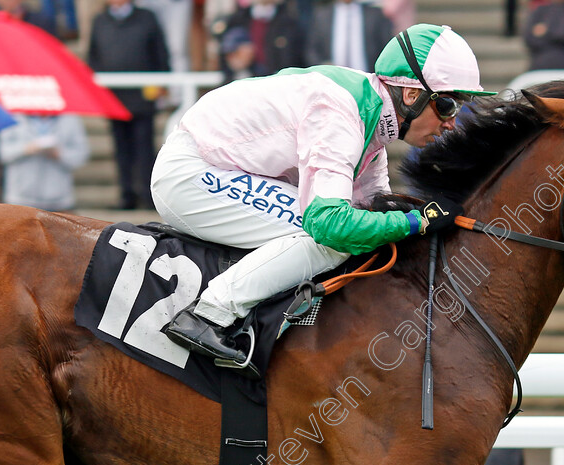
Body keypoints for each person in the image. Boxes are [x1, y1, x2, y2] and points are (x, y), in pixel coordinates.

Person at [151, 24, 494, 371]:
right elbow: (330, 224)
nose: (452, 123)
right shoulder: (340, 111)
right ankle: (208, 314)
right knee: (332, 241)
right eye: (448, 106)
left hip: (225, 166)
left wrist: (420, 215)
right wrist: (415, 221)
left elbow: (373, 207)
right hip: (192, 174)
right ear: (410, 95)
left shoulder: (371, 121)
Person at [87, 0, 170, 210]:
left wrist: (162, 83)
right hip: (114, 97)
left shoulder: (146, 17)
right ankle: (127, 195)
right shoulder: (100, 20)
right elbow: (93, 56)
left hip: (143, 96)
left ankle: (149, 196)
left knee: (144, 148)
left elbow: (160, 53)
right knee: (121, 149)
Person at [0, 113, 90, 211]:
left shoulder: (70, 119)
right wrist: (26, 149)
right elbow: (0, 152)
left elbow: (81, 154)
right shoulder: (14, 116)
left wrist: (59, 154)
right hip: (20, 199)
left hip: (58, 200)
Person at [305, 0, 393, 72]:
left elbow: (387, 49)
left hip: (369, 80)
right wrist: (324, 66)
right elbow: (312, 51)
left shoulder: (375, 15)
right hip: (332, 81)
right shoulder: (321, 15)